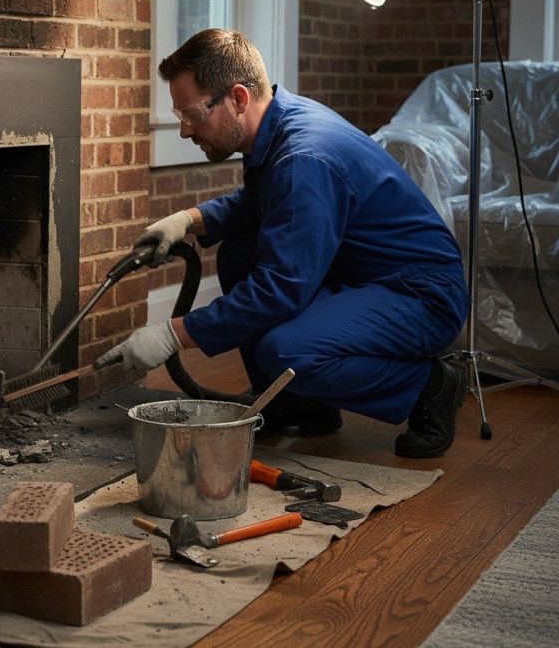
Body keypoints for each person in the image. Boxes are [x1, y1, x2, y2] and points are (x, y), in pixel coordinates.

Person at [95, 29, 470, 458]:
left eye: (194, 114)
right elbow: (264, 202)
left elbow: (281, 289)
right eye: (179, 114)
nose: (184, 130)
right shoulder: (280, 124)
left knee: (288, 352)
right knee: (240, 251)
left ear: (238, 98)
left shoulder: (304, 156)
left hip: (420, 294)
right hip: (365, 276)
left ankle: (429, 387)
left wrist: (173, 334)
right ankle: (299, 402)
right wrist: (189, 220)